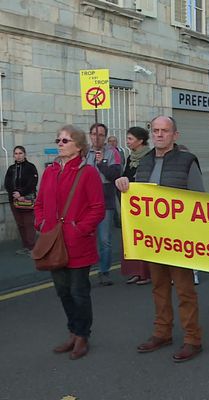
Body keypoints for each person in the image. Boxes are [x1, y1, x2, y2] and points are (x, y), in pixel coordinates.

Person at [115, 115, 204, 363]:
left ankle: (193, 339)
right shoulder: (142, 162)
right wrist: (123, 184)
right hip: (153, 237)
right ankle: (162, 332)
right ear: (151, 133)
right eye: (155, 130)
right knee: (159, 288)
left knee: (185, 290)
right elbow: (134, 196)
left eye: (165, 130)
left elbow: (199, 199)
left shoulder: (187, 161)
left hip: (179, 238)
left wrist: (193, 235)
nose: (159, 134)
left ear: (175, 135)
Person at [35, 125, 105, 360]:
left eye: (65, 140)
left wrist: (78, 229)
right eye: (58, 140)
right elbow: (40, 203)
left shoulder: (88, 173)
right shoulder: (50, 172)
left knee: (79, 291)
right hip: (53, 242)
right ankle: (73, 331)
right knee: (63, 291)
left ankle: (83, 335)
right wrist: (41, 224)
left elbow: (97, 209)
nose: (60, 143)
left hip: (77, 244)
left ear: (78, 145)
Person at [85, 123, 122, 286]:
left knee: (104, 240)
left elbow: (115, 174)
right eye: (94, 134)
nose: (96, 137)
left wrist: (101, 164)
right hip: (86, 202)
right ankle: (83, 271)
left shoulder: (112, 153)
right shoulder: (84, 153)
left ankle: (104, 271)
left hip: (104, 201)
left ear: (105, 136)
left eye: (100, 134)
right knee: (86, 239)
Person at [119, 127, 152, 285]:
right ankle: (136, 272)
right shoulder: (130, 157)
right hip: (131, 203)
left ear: (140, 140)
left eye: (130, 139)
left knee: (144, 238)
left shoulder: (149, 157)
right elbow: (126, 175)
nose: (127, 142)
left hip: (145, 204)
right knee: (132, 238)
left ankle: (147, 273)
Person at [4, 146, 38, 255]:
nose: (18, 156)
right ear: (13, 155)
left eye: (20, 153)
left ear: (25, 154)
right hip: (14, 200)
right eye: (16, 153)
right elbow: (7, 183)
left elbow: (33, 183)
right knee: (20, 224)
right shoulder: (11, 168)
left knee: (29, 223)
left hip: (26, 199)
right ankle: (26, 246)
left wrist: (22, 193)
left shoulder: (30, 167)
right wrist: (15, 194)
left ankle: (32, 247)